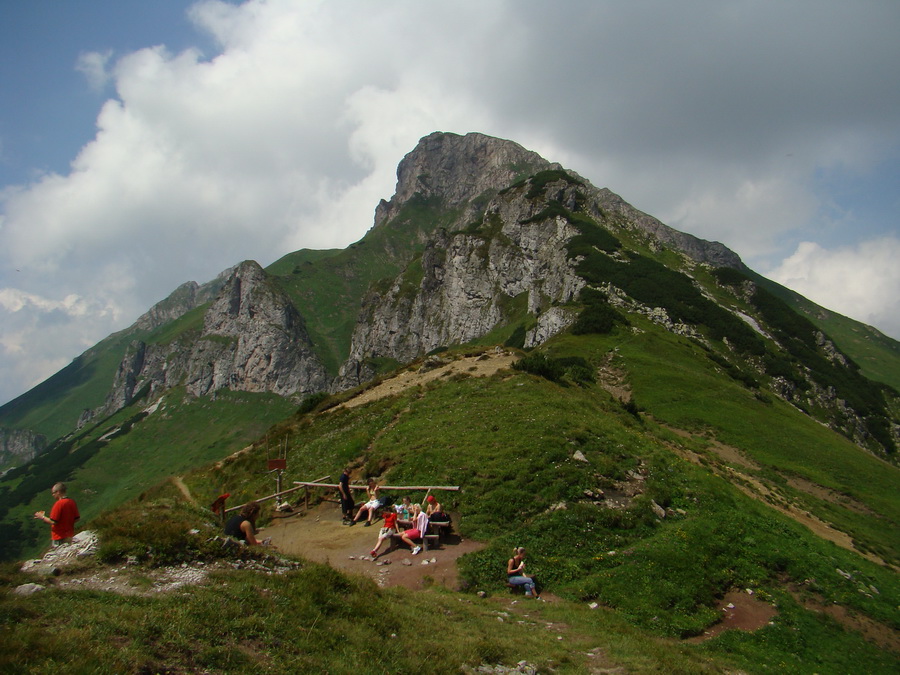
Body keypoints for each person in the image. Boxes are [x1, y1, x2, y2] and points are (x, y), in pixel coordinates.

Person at [34, 482, 80, 547]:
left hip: (59, 537)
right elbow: (77, 518)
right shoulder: (72, 502)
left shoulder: (58, 504)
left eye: (53, 493)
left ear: (58, 492)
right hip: (70, 534)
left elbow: (53, 521)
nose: (53, 495)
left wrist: (42, 517)